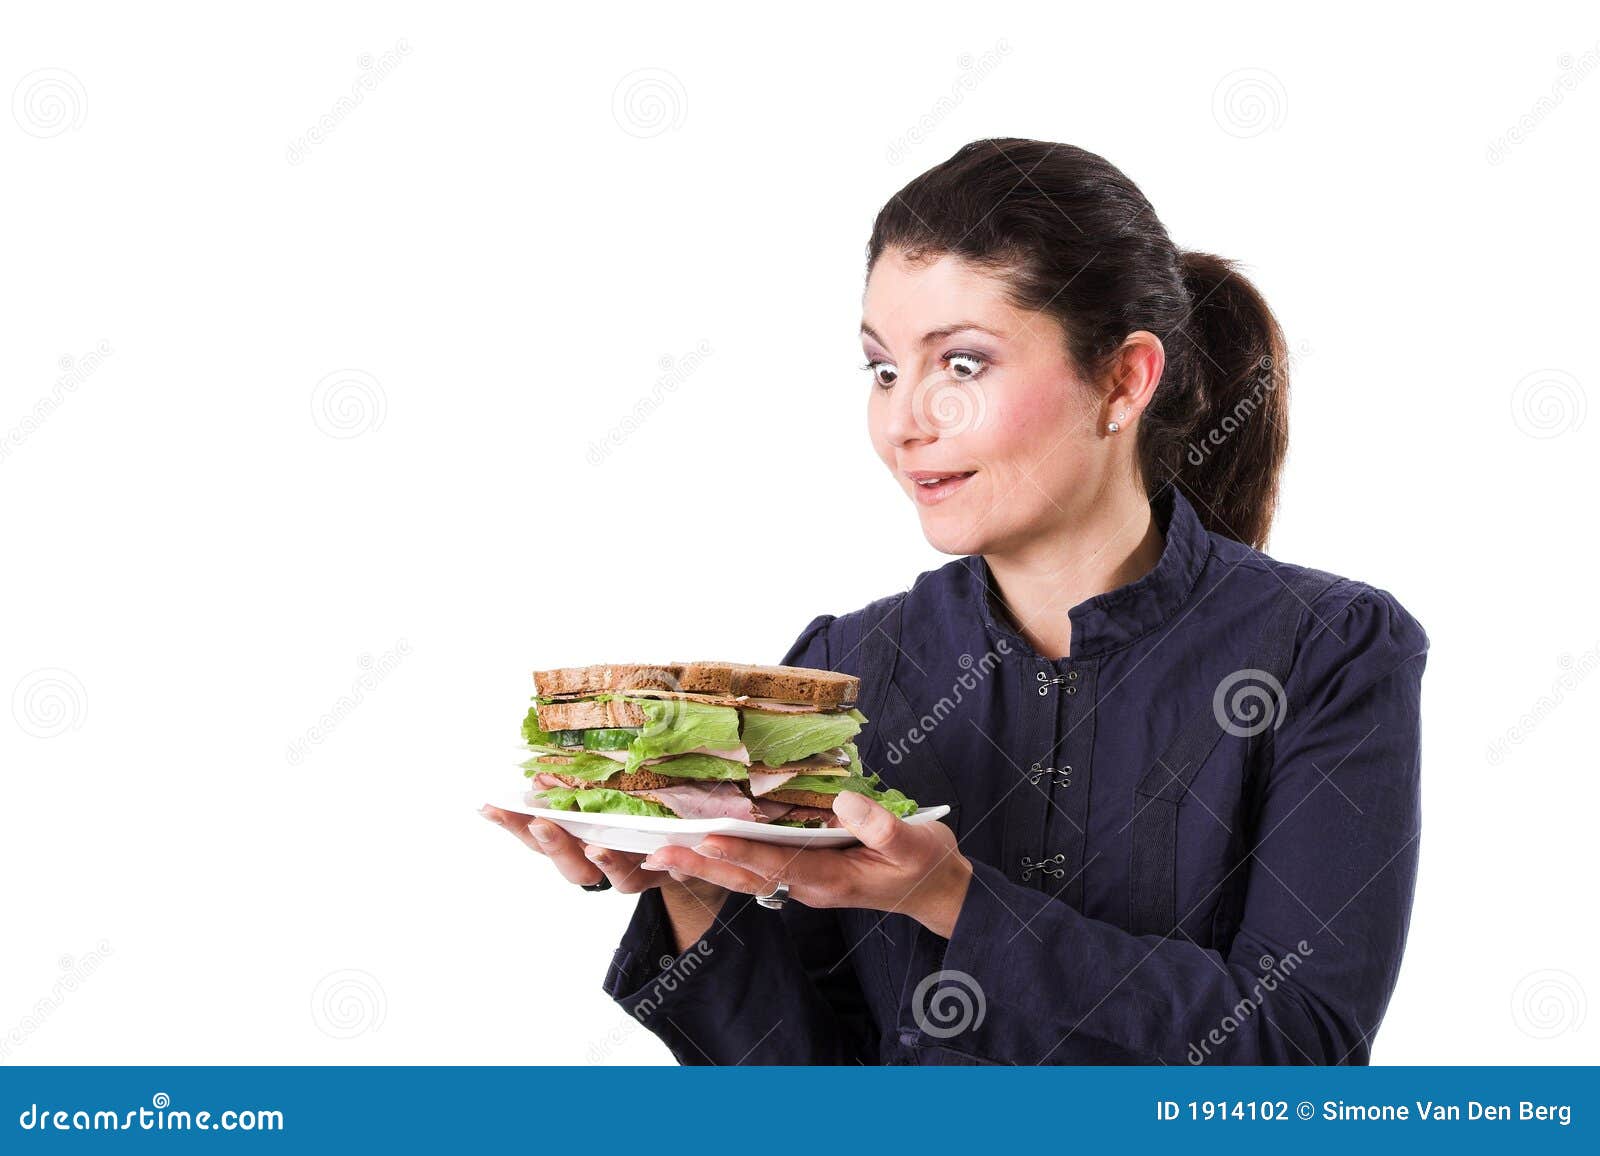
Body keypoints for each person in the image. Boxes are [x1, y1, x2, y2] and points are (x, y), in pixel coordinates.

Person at [482, 139, 1428, 1065]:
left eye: (963, 364)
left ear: (1123, 379)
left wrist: (952, 901)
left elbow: (1301, 1050)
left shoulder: (1329, 648)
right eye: (884, 369)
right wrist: (691, 880)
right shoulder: (845, 669)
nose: (903, 422)